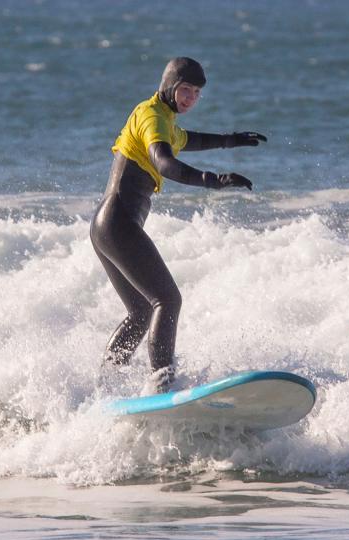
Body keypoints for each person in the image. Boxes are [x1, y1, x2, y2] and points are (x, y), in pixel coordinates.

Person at [91, 56, 266, 394]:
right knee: (167, 301)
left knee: (141, 310)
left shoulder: (164, 119)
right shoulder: (151, 116)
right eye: (186, 90)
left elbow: (189, 139)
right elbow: (164, 162)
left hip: (107, 225)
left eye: (197, 93)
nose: (191, 99)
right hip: (118, 223)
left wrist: (231, 140)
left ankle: (105, 386)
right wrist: (211, 180)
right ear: (169, 86)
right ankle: (162, 385)